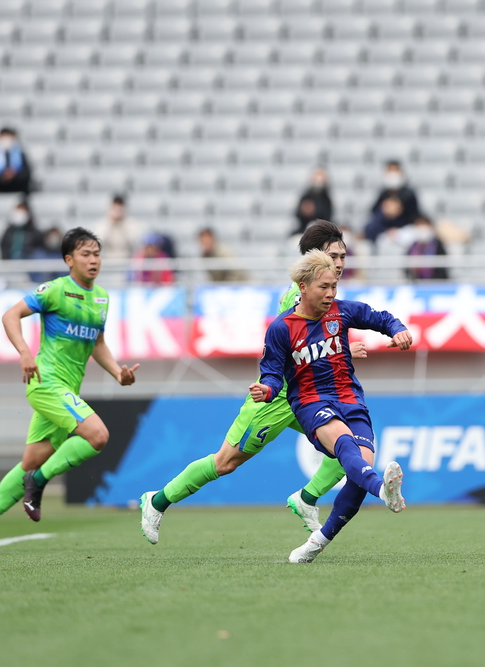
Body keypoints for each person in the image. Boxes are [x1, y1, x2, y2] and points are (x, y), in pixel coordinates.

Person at [137, 221, 367, 545]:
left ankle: (306, 499)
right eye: (333, 256)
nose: (340, 263)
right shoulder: (297, 298)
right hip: (278, 397)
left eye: (343, 256)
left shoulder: (327, 295)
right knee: (225, 462)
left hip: (309, 396)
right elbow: (294, 349)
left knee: (349, 448)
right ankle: (157, 500)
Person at [0, 228, 140, 551]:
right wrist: (24, 352)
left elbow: (97, 342)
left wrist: (118, 372)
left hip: (66, 390)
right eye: (85, 254)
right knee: (98, 436)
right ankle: (40, 481)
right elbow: (10, 315)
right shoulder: (56, 290)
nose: (93, 260)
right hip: (46, 383)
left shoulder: (102, 297)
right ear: (69, 260)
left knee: (30, 463)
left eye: (97, 254)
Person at [250, 250, 412, 563]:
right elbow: (271, 373)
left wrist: (398, 329)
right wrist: (267, 390)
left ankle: (315, 543)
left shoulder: (342, 312)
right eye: (323, 287)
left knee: (358, 472)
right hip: (311, 401)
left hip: (350, 399)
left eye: (334, 286)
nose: (330, 293)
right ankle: (383, 491)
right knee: (346, 446)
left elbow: (379, 317)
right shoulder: (282, 328)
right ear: (303, 286)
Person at [363, 160, 420, 241]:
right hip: (384, 232)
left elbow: (415, 216)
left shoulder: (409, 194)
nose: (393, 175)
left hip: (404, 231)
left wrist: (400, 210)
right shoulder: (383, 194)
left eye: (395, 171)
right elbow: (374, 216)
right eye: (390, 171)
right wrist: (385, 212)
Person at [93, 194, 145, 261]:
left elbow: (135, 244)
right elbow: (98, 243)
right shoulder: (102, 224)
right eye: (115, 207)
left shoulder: (131, 224)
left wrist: (122, 225)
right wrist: (111, 223)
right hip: (107, 261)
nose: (117, 211)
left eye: (120, 208)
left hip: (126, 260)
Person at [0, 127, 32, 194]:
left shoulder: (21, 155)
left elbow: (26, 175)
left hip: (19, 190)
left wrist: (14, 175)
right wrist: (3, 177)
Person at [405, 215, 449, 281]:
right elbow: (406, 265)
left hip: (436, 282)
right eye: (419, 226)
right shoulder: (413, 246)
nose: (422, 230)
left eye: (424, 226)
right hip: (416, 281)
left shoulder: (437, 244)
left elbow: (442, 265)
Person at [294, 167, 334, 235]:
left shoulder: (326, 199)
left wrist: (315, 211)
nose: (318, 183)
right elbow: (298, 215)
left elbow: (328, 217)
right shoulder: (305, 197)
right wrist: (304, 212)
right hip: (303, 230)